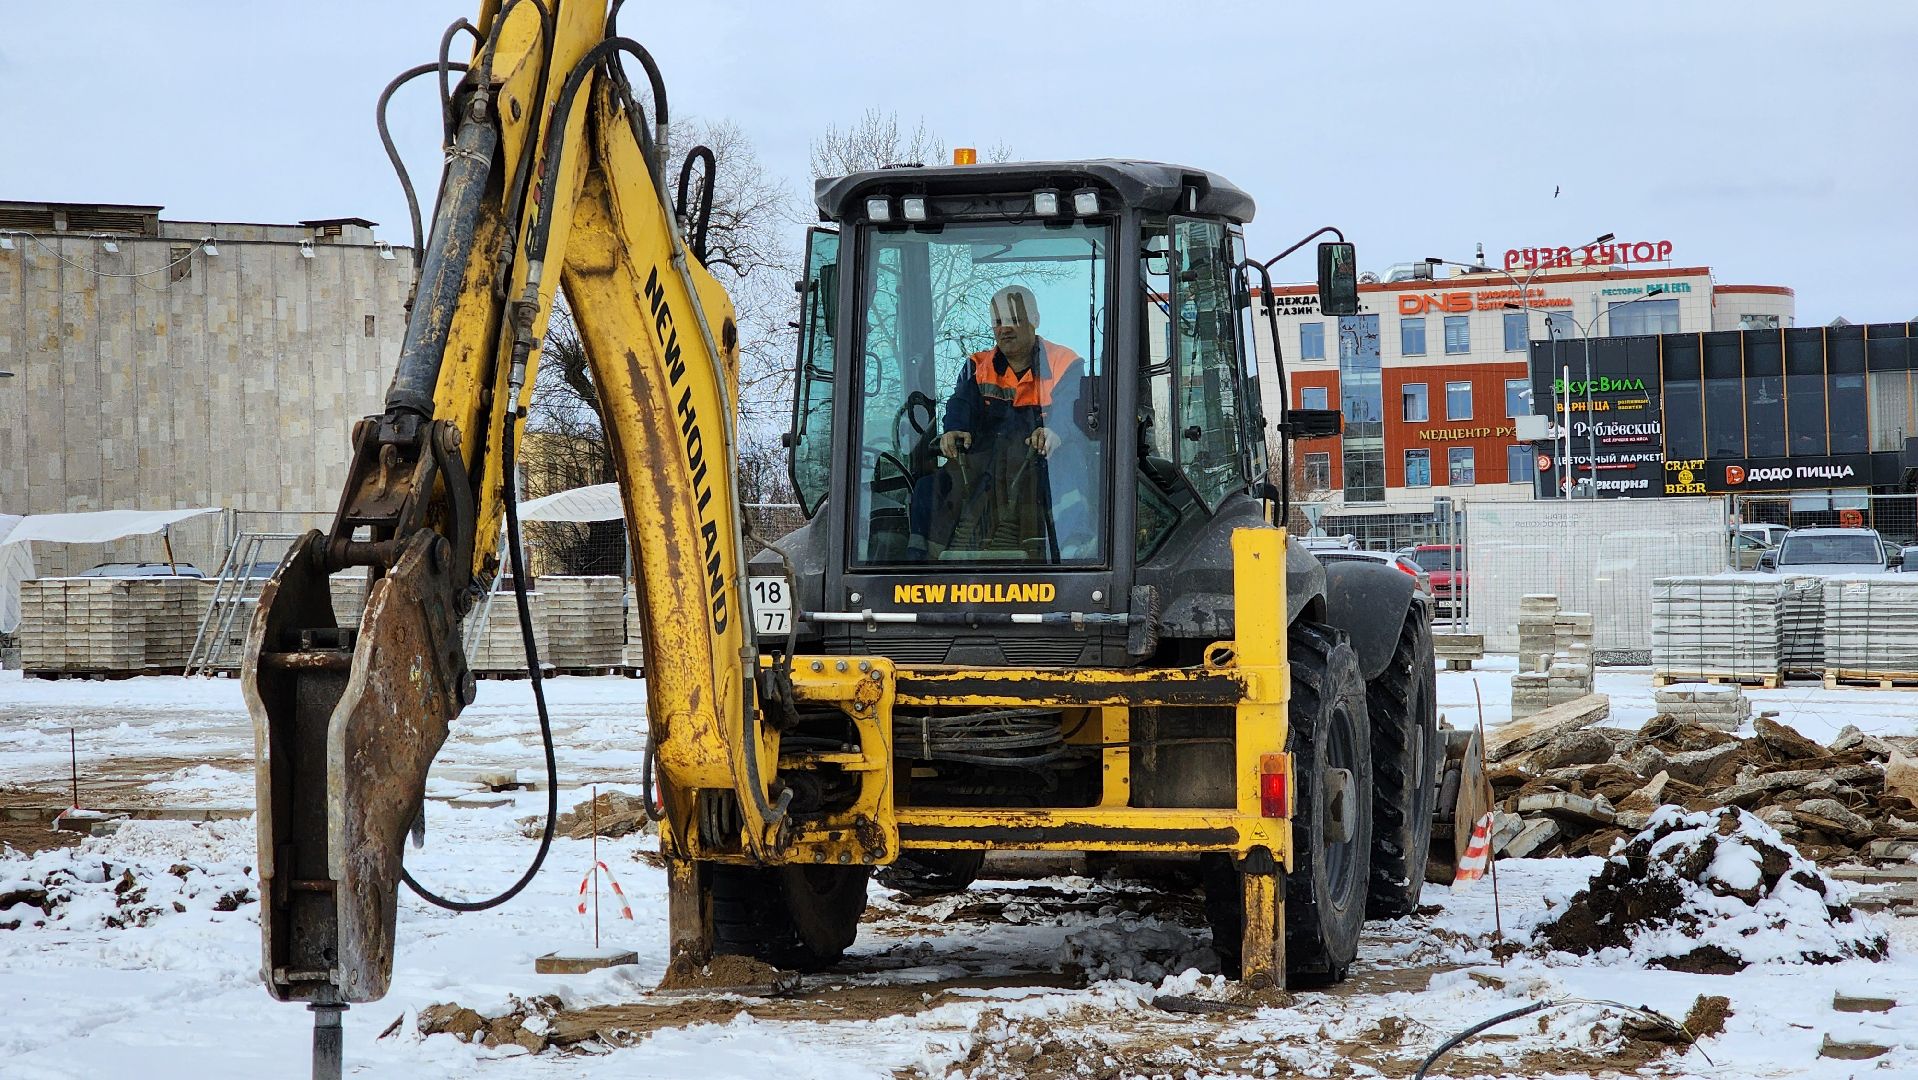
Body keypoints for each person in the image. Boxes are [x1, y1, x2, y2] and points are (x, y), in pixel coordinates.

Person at [908, 285, 1091, 561]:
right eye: (998, 322)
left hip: (1043, 459)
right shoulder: (978, 365)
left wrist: (1055, 432)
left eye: (1014, 321)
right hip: (986, 462)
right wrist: (954, 429)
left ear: (1035, 320)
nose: (1005, 329)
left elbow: (1070, 407)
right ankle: (919, 566)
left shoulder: (1065, 362)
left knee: (1068, 478)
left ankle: (1074, 552)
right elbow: (961, 404)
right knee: (929, 488)